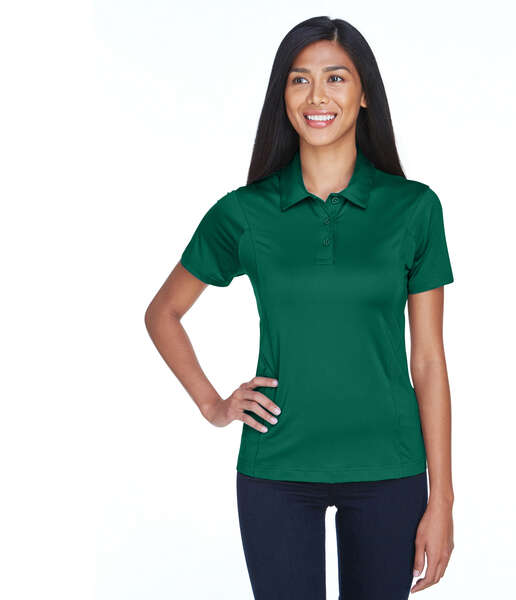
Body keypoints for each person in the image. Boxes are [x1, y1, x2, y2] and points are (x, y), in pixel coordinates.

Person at [145, 15, 455, 600]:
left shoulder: (414, 209)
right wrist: (214, 405)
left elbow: (429, 362)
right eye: (299, 80)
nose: (317, 96)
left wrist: (443, 499)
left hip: (389, 467)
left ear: (364, 94)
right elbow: (163, 314)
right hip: (277, 469)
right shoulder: (245, 212)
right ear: (282, 96)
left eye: (336, 78)